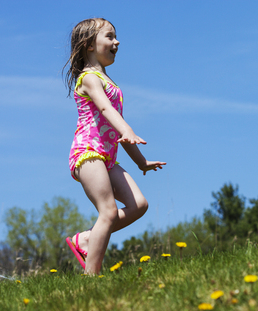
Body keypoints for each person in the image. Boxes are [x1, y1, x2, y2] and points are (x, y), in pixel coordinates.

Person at [63, 18, 166, 274]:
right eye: (109, 36)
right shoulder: (88, 78)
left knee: (139, 205)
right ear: (88, 45)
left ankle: (86, 239)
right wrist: (127, 129)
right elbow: (106, 109)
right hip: (87, 153)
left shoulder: (111, 83)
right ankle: (92, 277)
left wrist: (141, 161)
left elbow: (119, 130)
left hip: (108, 157)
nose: (116, 42)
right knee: (107, 212)